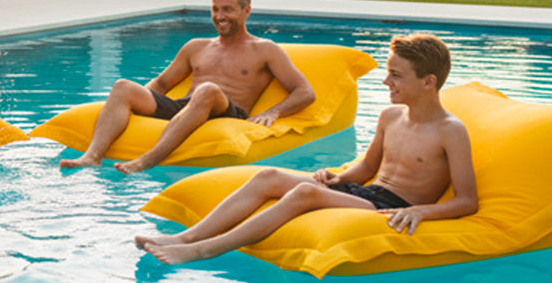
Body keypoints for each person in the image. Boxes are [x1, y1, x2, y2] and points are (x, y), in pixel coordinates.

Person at [136, 33, 479, 265]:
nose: (386, 81)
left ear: (429, 82)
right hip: (366, 191)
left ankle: (201, 250)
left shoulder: (450, 131)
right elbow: (368, 168)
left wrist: (422, 212)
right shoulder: (390, 116)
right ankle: (185, 237)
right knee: (267, 175)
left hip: (392, 208)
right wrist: (339, 177)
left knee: (303, 193)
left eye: (396, 75)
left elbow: (467, 200)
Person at [60, 0, 317, 174]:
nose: (219, 16)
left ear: (246, 11)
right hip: (186, 107)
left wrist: (273, 112)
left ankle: (147, 159)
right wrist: (141, 106)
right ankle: (92, 156)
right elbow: (161, 83)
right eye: (215, 9)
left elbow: (305, 92)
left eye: (228, 9)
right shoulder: (197, 46)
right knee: (122, 86)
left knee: (207, 89)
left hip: (228, 109)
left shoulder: (264, 49)